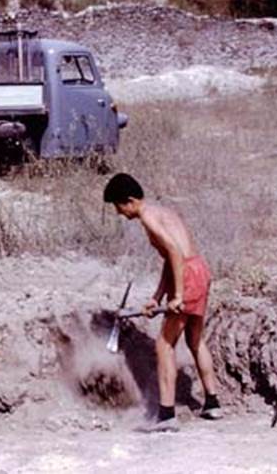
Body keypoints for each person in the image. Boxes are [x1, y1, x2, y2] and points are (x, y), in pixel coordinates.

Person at [103, 172, 223, 431]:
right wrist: (156, 297)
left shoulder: (147, 217)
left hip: (188, 275)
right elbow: (173, 259)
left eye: (118, 206)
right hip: (200, 270)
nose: (119, 213)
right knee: (195, 339)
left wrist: (178, 295)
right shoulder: (163, 212)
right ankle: (212, 403)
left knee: (164, 345)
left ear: (130, 200)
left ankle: (166, 415)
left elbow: (175, 254)